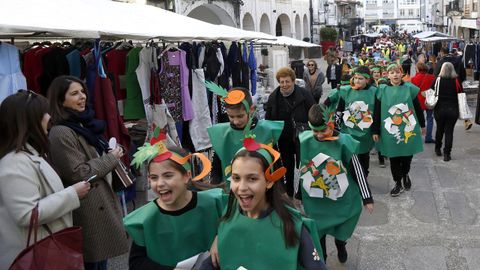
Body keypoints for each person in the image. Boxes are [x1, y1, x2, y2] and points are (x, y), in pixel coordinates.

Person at [202, 137, 327, 270]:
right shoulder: (229, 213)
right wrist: (218, 238)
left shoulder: (291, 225)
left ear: (269, 181)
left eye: (252, 179)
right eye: (236, 178)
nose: (242, 187)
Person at [47, 75, 129, 270]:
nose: (82, 96)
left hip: (98, 203)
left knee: (101, 261)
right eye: (75, 93)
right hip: (87, 210)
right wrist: (111, 159)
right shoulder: (61, 132)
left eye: (83, 91)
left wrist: (109, 154)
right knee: (92, 262)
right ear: (60, 100)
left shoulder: (84, 124)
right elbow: (79, 173)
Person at [0, 90, 90, 267]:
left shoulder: (28, 155)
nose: (49, 117)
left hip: (43, 250)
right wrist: (72, 194)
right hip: (35, 256)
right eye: (44, 113)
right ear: (30, 120)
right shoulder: (14, 162)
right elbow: (27, 214)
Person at [124, 132, 224, 269]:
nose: (160, 184)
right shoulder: (145, 219)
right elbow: (137, 263)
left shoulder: (214, 202)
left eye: (168, 176)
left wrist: (220, 237)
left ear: (186, 176)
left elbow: (240, 220)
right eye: (154, 177)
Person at [299, 104, 374, 263]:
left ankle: (341, 244)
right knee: (318, 231)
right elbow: (304, 169)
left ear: (331, 123)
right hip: (316, 200)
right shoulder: (305, 140)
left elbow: (357, 169)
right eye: (315, 131)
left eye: (323, 130)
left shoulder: (344, 142)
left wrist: (367, 197)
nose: (319, 135)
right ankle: (322, 261)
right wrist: (298, 194)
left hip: (340, 198)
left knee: (342, 229)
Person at [205, 85, 284, 188]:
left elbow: (276, 164)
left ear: (251, 110)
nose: (236, 121)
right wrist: (214, 188)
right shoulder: (222, 134)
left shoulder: (266, 131)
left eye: (240, 116)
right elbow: (216, 167)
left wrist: (281, 190)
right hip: (232, 192)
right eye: (231, 116)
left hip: (262, 192)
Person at [372, 63, 425, 197]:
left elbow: (417, 108)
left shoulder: (409, 89)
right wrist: (375, 131)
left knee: (407, 156)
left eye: (397, 72)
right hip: (390, 130)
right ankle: (398, 183)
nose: (395, 74)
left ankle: (405, 173)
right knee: (394, 157)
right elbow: (377, 112)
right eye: (392, 72)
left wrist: (423, 125)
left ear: (401, 74)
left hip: (408, 128)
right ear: (387, 75)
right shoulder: (382, 90)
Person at [265, 67, 315, 197]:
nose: (284, 85)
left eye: (287, 81)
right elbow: (268, 119)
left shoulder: (304, 94)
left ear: (293, 81)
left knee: (303, 166)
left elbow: (314, 112)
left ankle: (302, 195)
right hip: (283, 139)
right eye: (281, 82)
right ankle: (289, 193)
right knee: (287, 167)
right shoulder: (274, 97)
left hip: (302, 137)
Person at [324, 66, 377, 177]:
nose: (357, 80)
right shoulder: (346, 91)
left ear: (367, 80)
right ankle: (352, 177)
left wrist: (376, 130)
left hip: (365, 132)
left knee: (363, 156)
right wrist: (337, 125)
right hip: (348, 130)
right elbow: (340, 109)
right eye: (355, 78)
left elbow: (377, 113)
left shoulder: (374, 92)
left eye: (360, 78)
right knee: (350, 155)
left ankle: (364, 175)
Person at [432, 62, 463, 161]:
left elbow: (431, 91)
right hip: (453, 109)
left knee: (439, 129)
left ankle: (437, 148)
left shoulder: (438, 79)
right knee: (449, 132)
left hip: (439, 109)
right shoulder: (456, 80)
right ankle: (447, 154)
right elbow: (461, 93)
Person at [411, 62, 436, 143]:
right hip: (429, 101)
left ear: (417, 69)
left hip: (418, 102)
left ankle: (416, 137)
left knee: (416, 119)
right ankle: (428, 137)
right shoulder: (432, 77)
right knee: (430, 119)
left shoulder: (414, 79)